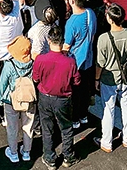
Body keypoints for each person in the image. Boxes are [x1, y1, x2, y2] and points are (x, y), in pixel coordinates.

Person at [34, 24, 79, 167]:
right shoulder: (70, 61)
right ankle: (68, 156)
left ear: (49, 40)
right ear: (62, 41)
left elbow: (36, 78)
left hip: (45, 97)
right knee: (66, 128)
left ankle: (50, 158)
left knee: (47, 128)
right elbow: (76, 80)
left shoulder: (40, 59)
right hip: (63, 99)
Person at [94, 3, 127, 152]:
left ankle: (107, 142)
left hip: (109, 79)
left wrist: (96, 79)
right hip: (126, 77)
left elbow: (100, 63)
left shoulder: (103, 38)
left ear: (110, 20)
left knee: (108, 110)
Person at [0, 35, 34, 163]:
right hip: (29, 99)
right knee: (28, 126)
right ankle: (26, 152)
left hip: (11, 100)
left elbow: (3, 83)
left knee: (12, 128)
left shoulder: (9, 65)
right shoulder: (33, 62)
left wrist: (0, 98)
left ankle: (13, 153)